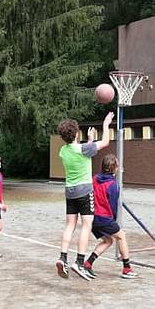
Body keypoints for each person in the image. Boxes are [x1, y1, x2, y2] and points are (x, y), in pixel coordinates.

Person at [56, 111, 114, 280]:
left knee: (70, 225)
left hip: (70, 191)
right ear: (76, 133)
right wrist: (106, 123)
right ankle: (79, 262)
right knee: (86, 226)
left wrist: (89, 141)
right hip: (84, 191)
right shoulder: (83, 149)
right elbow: (105, 142)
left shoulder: (63, 151)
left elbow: (83, 152)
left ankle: (63, 257)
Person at [84, 154, 138, 279]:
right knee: (121, 236)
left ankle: (88, 263)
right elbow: (113, 206)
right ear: (114, 168)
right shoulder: (113, 185)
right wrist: (112, 220)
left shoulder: (95, 178)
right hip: (104, 218)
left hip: (92, 217)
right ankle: (127, 268)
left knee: (108, 240)